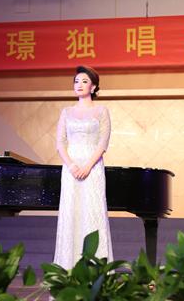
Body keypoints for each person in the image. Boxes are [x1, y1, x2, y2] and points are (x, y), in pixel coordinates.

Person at [53, 65, 114, 270]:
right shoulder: (66, 112)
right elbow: (60, 143)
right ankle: (68, 270)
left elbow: (102, 143)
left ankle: (96, 271)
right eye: (76, 81)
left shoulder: (101, 111)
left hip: (93, 167)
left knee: (92, 213)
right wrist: (71, 165)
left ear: (93, 87)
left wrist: (87, 166)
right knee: (71, 213)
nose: (79, 85)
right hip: (70, 169)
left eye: (84, 81)